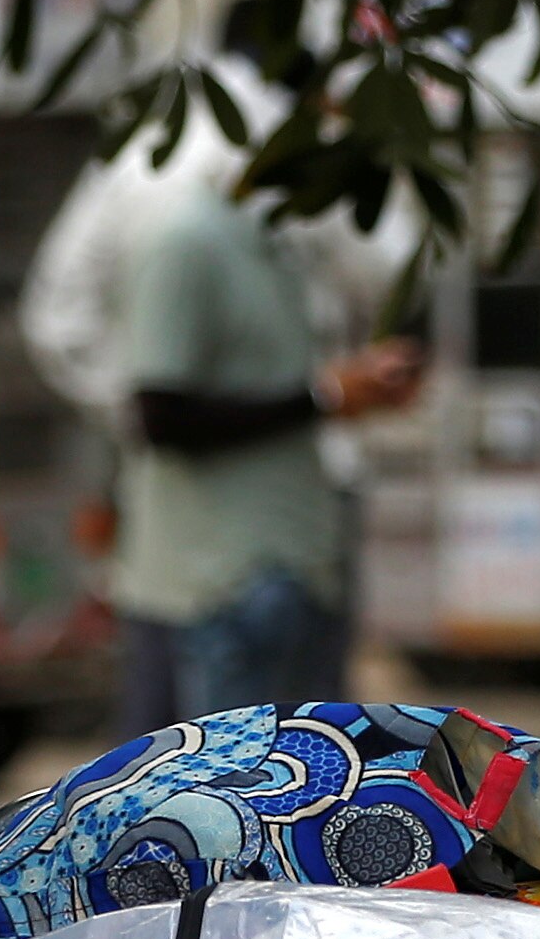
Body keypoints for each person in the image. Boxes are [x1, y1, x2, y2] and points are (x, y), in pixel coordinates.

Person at [113, 164, 420, 729]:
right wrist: (323, 395)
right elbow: (159, 417)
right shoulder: (187, 242)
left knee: (302, 794)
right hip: (225, 581)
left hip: (297, 564)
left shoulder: (282, 244)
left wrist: (345, 391)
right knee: (227, 800)